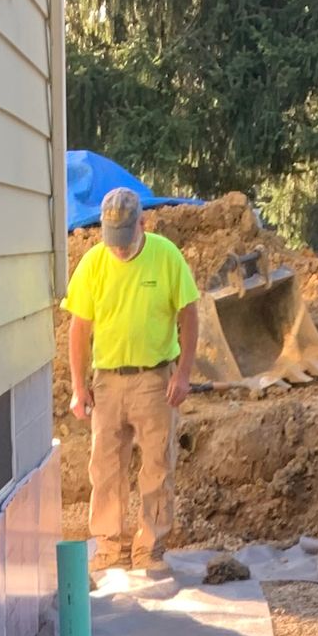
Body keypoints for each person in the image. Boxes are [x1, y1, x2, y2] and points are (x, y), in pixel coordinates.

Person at [65, 190, 200, 585]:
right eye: (113, 241)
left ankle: (149, 548)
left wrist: (183, 374)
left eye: (125, 240)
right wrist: (78, 386)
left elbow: (189, 315)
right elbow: (79, 329)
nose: (119, 250)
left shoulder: (166, 256)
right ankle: (108, 547)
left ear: (143, 224)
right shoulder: (92, 264)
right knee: (105, 467)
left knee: (157, 464)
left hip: (155, 379)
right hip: (107, 381)